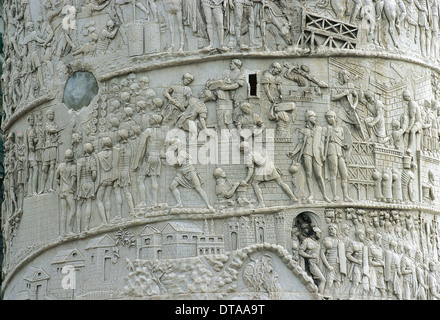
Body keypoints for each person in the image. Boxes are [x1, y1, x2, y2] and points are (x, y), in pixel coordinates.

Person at [289, 109, 330, 202]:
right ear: (308, 118)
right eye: (313, 116)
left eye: (315, 116)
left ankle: (324, 195)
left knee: (319, 175)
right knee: (309, 174)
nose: (315, 118)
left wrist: (323, 155)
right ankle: (311, 194)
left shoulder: (320, 129)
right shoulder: (303, 130)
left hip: (317, 154)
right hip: (307, 153)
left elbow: (322, 143)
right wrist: (294, 152)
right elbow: (299, 144)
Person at [240, 141, 297, 207]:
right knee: (281, 182)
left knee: (254, 183)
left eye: (242, 151)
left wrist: (245, 180)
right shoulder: (259, 148)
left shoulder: (249, 155)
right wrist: (274, 167)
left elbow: (251, 170)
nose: (243, 153)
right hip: (270, 166)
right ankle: (294, 198)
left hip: (263, 169)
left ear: (245, 148)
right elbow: (268, 158)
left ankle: (261, 204)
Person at [168, 138, 214, 210]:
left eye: (171, 145)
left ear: (177, 145)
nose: (170, 147)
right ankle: (179, 204)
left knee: (198, 188)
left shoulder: (182, 152)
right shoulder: (178, 152)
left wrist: (170, 159)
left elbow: (178, 163)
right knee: (172, 186)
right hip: (181, 173)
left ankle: (208, 205)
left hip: (189, 172)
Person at [324, 110, 353, 202]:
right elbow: (324, 142)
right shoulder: (327, 129)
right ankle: (335, 196)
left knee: (344, 174)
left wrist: (345, 146)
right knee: (333, 173)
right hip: (331, 150)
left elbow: (342, 141)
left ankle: (345, 196)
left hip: (339, 151)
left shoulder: (341, 129)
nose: (329, 119)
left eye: (331, 117)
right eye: (328, 117)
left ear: (335, 118)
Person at [56, 149, 77, 236]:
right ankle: (70, 230)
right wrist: (73, 189)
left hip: (62, 191)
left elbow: (56, 178)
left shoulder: (60, 166)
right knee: (73, 210)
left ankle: (62, 232)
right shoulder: (73, 167)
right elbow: (73, 181)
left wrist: (61, 184)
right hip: (69, 191)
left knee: (63, 213)